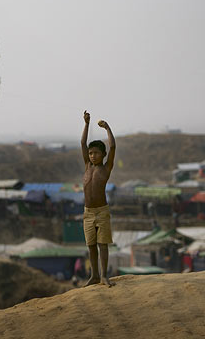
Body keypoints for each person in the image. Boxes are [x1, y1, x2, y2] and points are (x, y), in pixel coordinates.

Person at [81, 110, 116, 287]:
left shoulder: (106, 169)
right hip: (88, 213)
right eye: (90, 153)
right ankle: (94, 275)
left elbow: (113, 147)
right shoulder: (87, 166)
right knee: (91, 245)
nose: (92, 155)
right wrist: (87, 123)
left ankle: (104, 276)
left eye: (96, 153)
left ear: (102, 155)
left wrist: (107, 128)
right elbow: (82, 142)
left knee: (103, 244)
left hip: (102, 212)